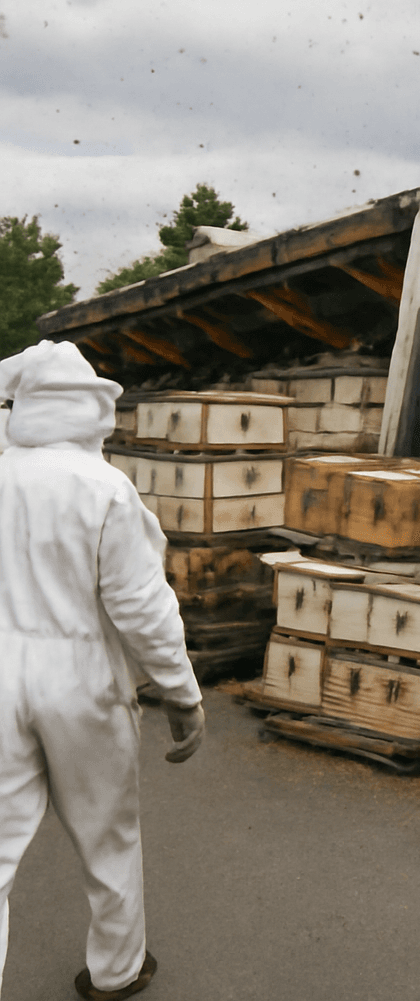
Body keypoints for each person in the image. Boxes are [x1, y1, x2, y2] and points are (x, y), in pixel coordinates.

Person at [0, 341, 205, 1001]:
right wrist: (181, 691)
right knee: (108, 837)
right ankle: (116, 973)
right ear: (91, 409)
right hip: (83, 678)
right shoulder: (105, 487)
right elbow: (140, 603)